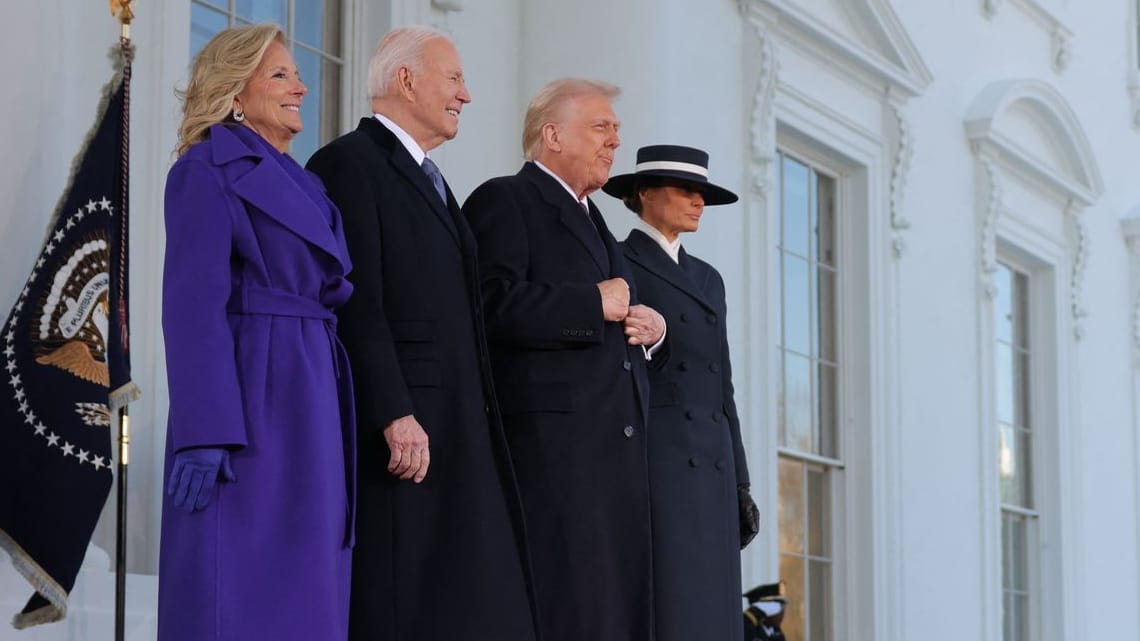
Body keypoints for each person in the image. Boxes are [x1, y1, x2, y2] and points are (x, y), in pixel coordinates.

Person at [305, 26, 536, 641]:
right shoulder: (347, 163)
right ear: (406, 80)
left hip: (458, 426)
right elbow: (355, 298)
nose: (468, 94)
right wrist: (393, 410)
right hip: (405, 438)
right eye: (455, 78)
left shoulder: (431, 178)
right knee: (406, 605)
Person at [158, 23, 355, 641]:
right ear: (235, 92)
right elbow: (193, 307)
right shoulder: (205, 169)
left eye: (297, 73)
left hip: (312, 389)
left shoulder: (309, 183)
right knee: (240, 583)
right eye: (280, 75)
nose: (300, 85)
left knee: (310, 581)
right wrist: (205, 431)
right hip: (254, 401)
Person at [462, 78, 667, 641]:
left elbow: (608, 312)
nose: (614, 142)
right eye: (601, 127)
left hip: (615, 463)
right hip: (554, 462)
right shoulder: (505, 199)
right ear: (552, 135)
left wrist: (642, 327)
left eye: (617, 131)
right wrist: (590, 302)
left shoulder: (595, 218)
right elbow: (487, 305)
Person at [602, 144, 761, 641]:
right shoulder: (618, 258)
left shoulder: (708, 278)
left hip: (711, 469)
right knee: (673, 608)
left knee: (714, 614)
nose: (698, 202)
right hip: (660, 461)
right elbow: (614, 363)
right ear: (645, 193)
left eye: (703, 194)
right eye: (687, 191)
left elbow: (722, 387)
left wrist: (740, 480)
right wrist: (660, 338)